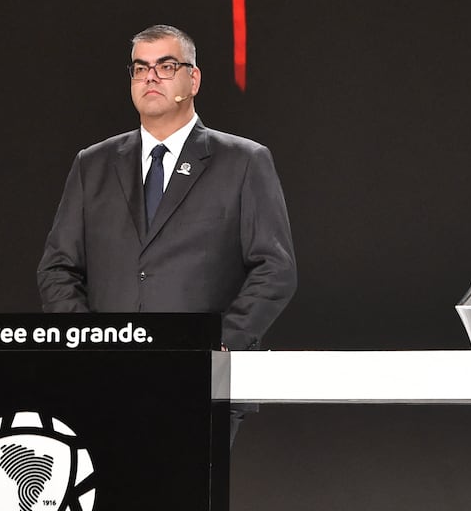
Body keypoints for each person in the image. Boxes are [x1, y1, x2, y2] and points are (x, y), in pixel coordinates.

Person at [37, 24, 297, 434]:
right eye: (140, 69)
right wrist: (88, 342)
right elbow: (57, 269)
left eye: (166, 65)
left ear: (192, 79)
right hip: (107, 381)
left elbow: (275, 268)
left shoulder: (243, 161)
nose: (151, 77)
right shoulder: (94, 164)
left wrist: (220, 343)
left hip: (204, 383)